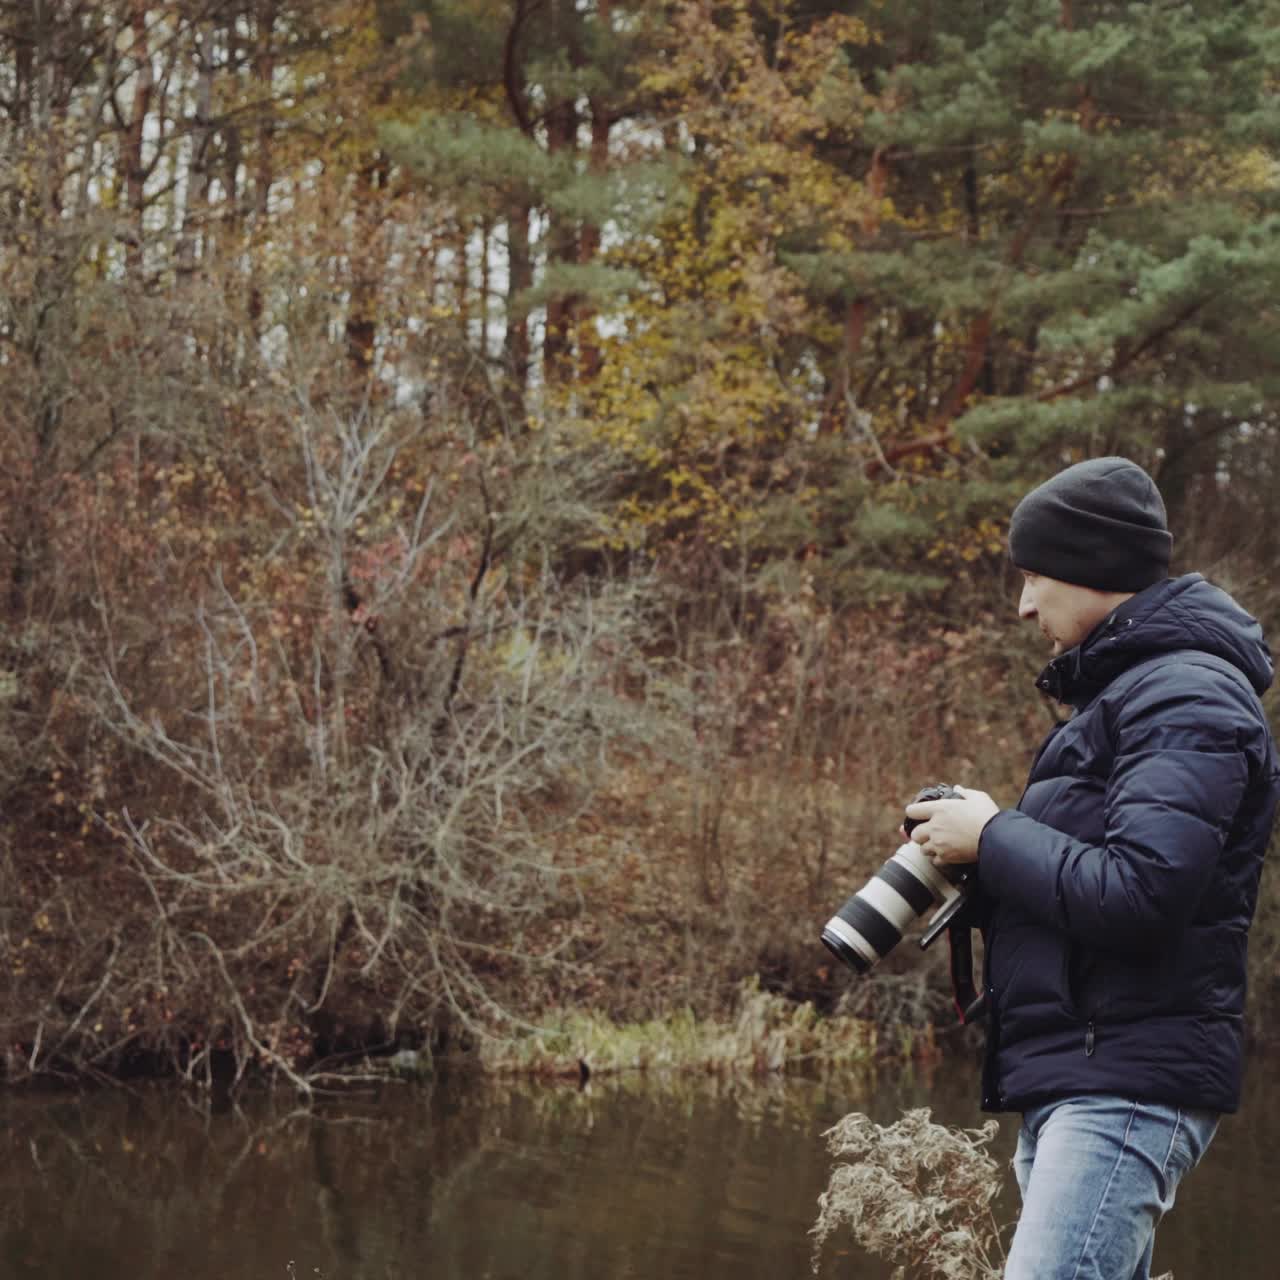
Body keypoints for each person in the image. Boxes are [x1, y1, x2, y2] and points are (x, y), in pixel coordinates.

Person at [903, 456, 1280, 1280]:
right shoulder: (1129, 697)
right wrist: (981, 860)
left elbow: (1141, 892)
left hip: (1126, 1079)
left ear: (1094, 570)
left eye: (1036, 576)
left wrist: (995, 836)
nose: (1024, 602)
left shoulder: (1187, 699)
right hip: (1086, 1070)